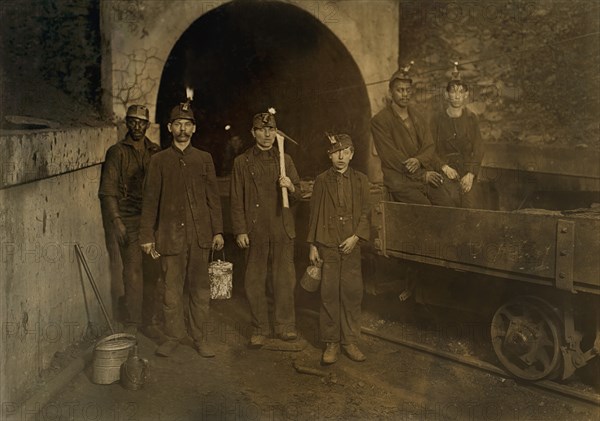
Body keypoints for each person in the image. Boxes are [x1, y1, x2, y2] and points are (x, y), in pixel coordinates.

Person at [139, 101, 224, 358]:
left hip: (200, 238)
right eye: (178, 124)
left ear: (194, 128)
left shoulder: (204, 159)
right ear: (169, 128)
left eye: (187, 124)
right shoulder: (159, 161)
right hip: (170, 237)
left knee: (200, 290)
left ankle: (199, 338)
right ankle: (174, 336)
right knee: (171, 291)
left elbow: (213, 198)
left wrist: (218, 231)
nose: (183, 129)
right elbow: (150, 201)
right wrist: (146, 236)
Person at [230, 110, 301, 347]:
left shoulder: (285, 160)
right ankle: (260, 328)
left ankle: (285, 326)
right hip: (255, 228)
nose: (267, 134)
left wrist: (290, 186)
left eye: (271, 129)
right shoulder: (242, 162)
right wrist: (240, 230)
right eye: (262, 129)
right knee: (254, 280)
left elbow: (300, 193)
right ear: (253, 133)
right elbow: (236, 199)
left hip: (281, 226)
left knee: (284, 279)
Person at [98, 104, 162, 337]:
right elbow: (108, 191)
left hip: (152, 222)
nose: (137, 126)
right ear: (127, 123)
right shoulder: (117, 152)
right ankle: (134, 323)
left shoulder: (155, 151)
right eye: (133, 121)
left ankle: (150, 321)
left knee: (153, 271)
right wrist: (117, 222)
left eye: (141, 122)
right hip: (130, 219)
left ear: (147, 125)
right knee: (133, 271)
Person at [307, 134, 371, 364]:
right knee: (329, 293)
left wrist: (356, 237)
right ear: (330, 156)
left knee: (352, 293)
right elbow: (314, 214)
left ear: (352, 154)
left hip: (351, 246)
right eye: (335, 152)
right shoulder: (322, 180)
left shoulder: (362, 180)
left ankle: (350, 342)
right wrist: (313, 245)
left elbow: (366, 212)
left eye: (345, 151)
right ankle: (331, 343)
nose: (340, 156)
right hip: (328, 245)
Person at [371, 65, 453, 206]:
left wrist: (419, 160)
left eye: (408, 90)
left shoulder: (419, 117)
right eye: (400, 90)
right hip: (400, 181)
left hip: (424, 176)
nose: (405, 94)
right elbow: (390, 157)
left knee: (447, 204)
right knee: (425, 209)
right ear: (391, 92)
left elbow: (429, 146)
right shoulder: (380, 121)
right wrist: (422, 175)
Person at [431, 64, 483, 208]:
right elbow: (429, 148)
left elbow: (479, 149)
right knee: (449, 202)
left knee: (470, 205)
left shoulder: (472, 119)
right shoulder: (436, 119)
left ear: (466, 95)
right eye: (453, 91)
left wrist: (471, 174)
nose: (457, 96)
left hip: (466, 171)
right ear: (446, 95)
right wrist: (444, 167)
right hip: (444, 172)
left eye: (461, 92)